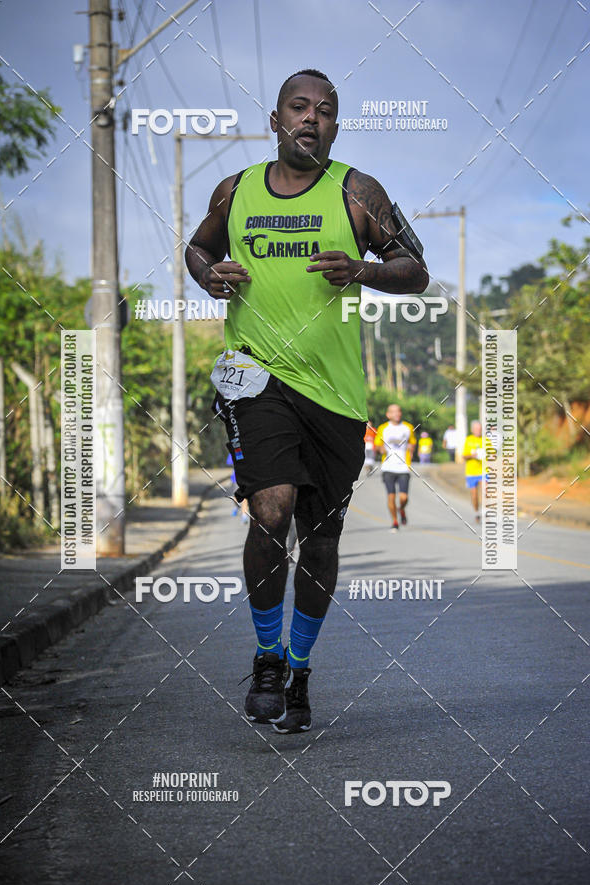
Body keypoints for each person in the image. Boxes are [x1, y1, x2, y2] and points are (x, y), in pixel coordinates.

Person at [186, 68, 428, 733]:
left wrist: (364, 270)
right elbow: (197, 247)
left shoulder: (357, 192)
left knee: (319, 541)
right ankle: (266, 658)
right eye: (299, 107)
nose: (311, 118)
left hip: (337, 395)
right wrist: (212, 276)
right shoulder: (234, 192)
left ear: (335, 127)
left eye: (325, 111)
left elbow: (417, 268)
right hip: (254, 376)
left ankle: (299, 669)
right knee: (272, 509)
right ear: (275, 119)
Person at [374, 404, 416, 532]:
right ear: (388, 414)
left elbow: (412, 442)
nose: (397, 414)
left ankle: (401, 509)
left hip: (403, 467)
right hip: (388, 467)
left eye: (399, 411)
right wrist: (381, 449)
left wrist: (411, 448)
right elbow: (377, 445)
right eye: (394, 412)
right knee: (391, 496)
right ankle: (395, 521)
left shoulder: (408, 427)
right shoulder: (383, 428)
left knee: (404, 497)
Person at [462, 420, 488, 523]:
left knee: (486, 491)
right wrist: (473, 455)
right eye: (476, 429)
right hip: (471, 472)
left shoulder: (486, 440)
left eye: (480, 429)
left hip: (483, 471)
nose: (478, 430)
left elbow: (493, 454)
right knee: (474, 495)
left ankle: (486, 512)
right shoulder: (468, 440)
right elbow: (464, 456)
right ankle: (477, 512)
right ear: (472, 430)